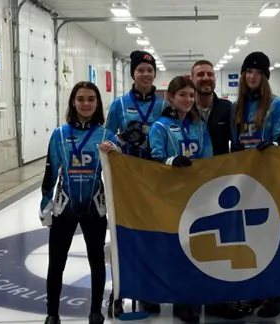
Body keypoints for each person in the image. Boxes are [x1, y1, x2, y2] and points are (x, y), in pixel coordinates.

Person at [208, 52, 280, 321]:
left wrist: (274, 146)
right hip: (245, 177)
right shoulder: (236, 106)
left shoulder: (276, 104)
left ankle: (277, 296)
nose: (252, 76)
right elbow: (235, 143)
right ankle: (255, 290)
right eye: (248, 71)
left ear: (264, 76)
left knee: (269, 234)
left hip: (268, 176)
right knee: (250, 236)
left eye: (257, 72)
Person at [39, 81, 120, 324]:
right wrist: (45, 204)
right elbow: (50, 172)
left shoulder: (107, 135)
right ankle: (52, 314)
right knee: (56, 263)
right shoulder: (59, 134)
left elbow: (120, 175)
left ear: (98, 103)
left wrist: (116, 151)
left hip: (95, 207)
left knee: (96, 262)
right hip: (65, 207)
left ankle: (96, 311)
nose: (86, 104)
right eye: (81, 99)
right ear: (73, 102)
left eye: (91, 99)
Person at [105, 50, 167, 317]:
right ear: (133, 73)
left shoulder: (164, 105)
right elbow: (107, 140)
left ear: (155, 74)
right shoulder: (119, 105)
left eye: (150, 70)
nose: (145, 74)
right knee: (123, 236)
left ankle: (149, 291)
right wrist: (118, 142)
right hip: (127, 181)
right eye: (140, 69)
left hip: (155, 181)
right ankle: (118, 290)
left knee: (153, 236)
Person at [149, 76, 212, 323]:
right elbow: (154, 162)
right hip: (170, 198)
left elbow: (209, 158)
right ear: (171, 98)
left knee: (195, 248)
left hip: (197, 197)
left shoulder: (199, 125)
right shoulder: (160, 126)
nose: (187, 99)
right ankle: (176, 300)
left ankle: (191, 299)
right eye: (182, 95)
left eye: (191, 95)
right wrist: (170, 161)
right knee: (174, 250)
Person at [190, 60, 232, 155]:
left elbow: (237, 141)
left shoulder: (227, 108)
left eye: (210, 74)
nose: (206, 78)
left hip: (221, 168)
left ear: (214, 78)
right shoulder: (186, 110)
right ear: (192, 79)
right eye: (200, 74)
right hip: (193, 168)